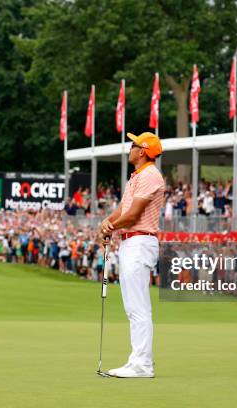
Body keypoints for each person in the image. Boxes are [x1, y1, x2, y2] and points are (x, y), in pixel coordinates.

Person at [99, 131, 164, 378]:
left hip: (140, 241)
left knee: (138, 307)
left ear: (143, 151)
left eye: (134, 144)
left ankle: (143, 364)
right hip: (130, 242)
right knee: (132, 307)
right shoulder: (137, 176)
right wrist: (106, 223)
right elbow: (123, 210)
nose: (130, 148)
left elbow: (134, 215)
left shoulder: (149, 175)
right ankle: (137, 360)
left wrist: (110, 227)